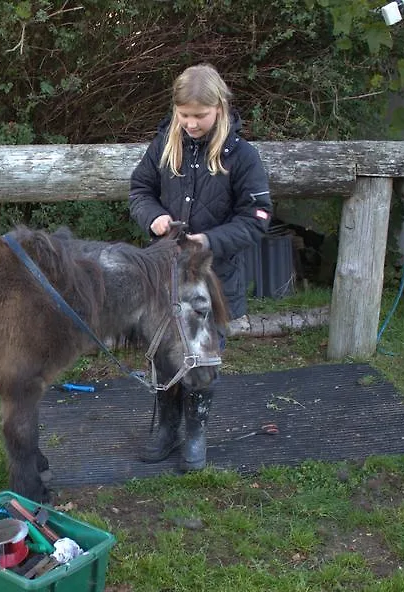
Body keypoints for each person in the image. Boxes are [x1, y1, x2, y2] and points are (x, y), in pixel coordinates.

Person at [129, 63, 272, 472]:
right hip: (164, 276)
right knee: (162, 355)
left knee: (202, 359)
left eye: (200, 116)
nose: (191, 124)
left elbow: (257, 217)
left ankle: (195, 433)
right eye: (184, 115)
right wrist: (153, 218)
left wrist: (208, 241)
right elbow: (140, 190)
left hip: (214, 281)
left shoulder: (243, 156)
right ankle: (166, 428)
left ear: (220, 108)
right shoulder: (163, 145)